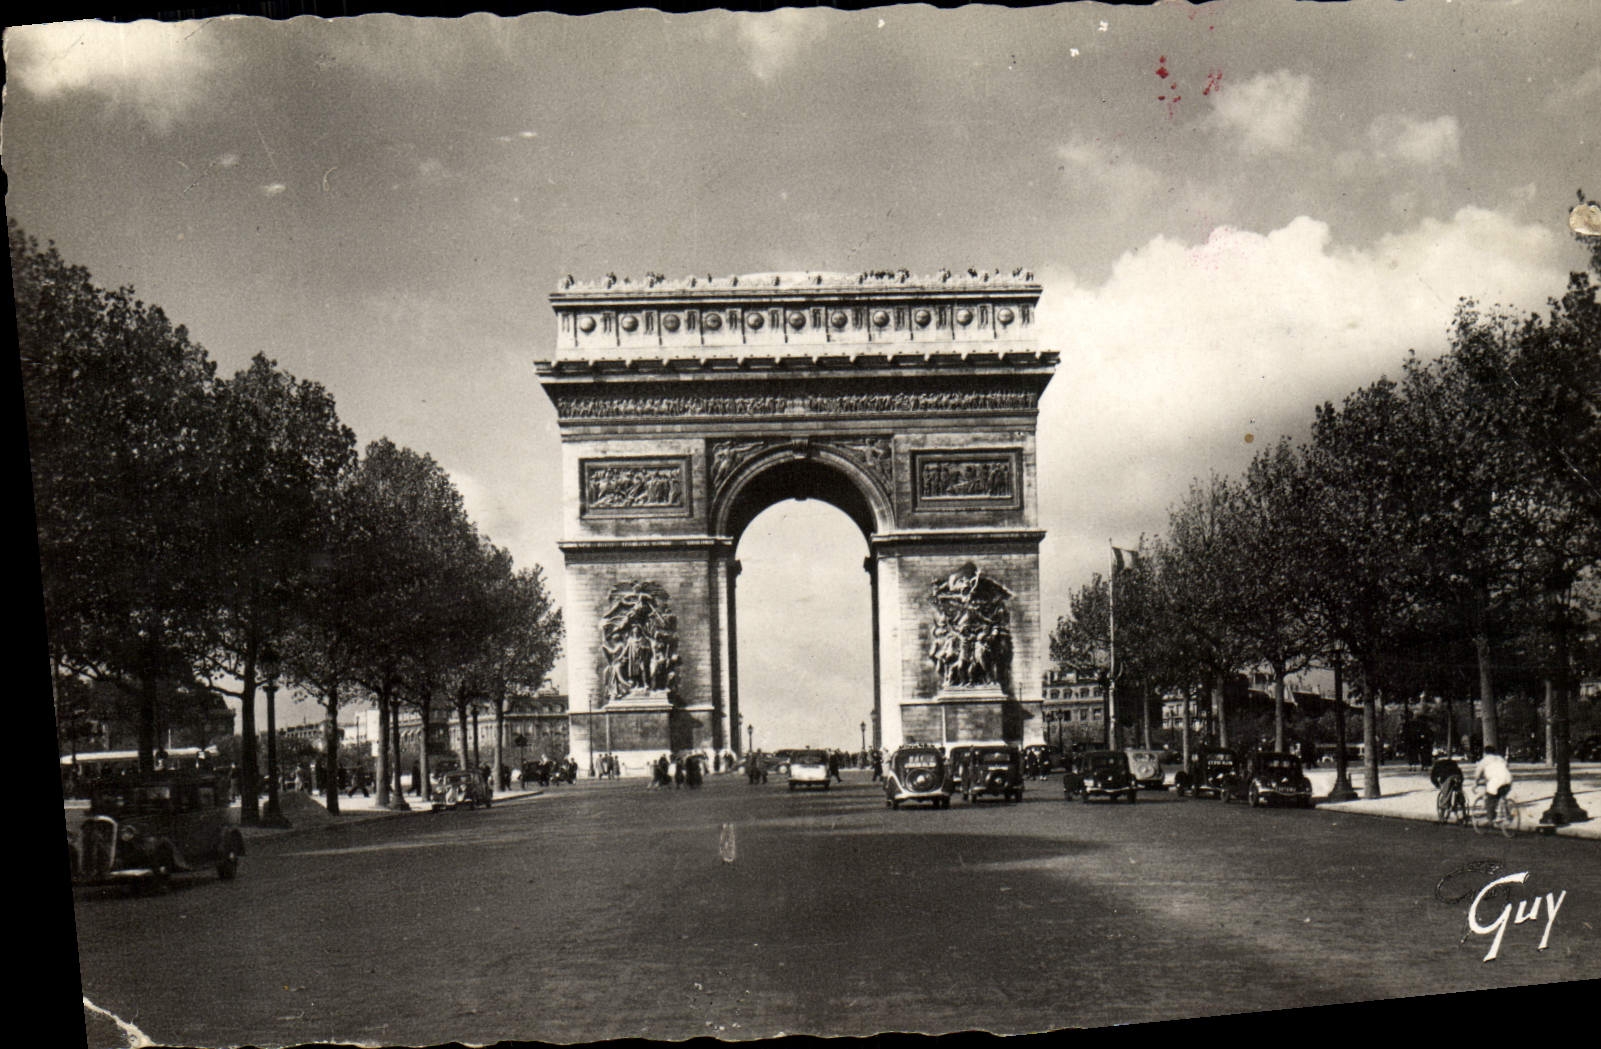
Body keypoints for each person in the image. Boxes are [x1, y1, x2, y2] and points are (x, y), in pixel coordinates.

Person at [1474, 745, 1513, 823]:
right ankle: (1507, 814)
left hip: (1496, 781)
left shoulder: (1484, 761)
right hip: (1508, 779)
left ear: (1485, 753)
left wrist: (1475, 783)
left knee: (1490, 799)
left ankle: (1491, 818)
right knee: (1502, 795)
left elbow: (1477, 774)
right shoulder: (1500, 758)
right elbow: (1507, 766)